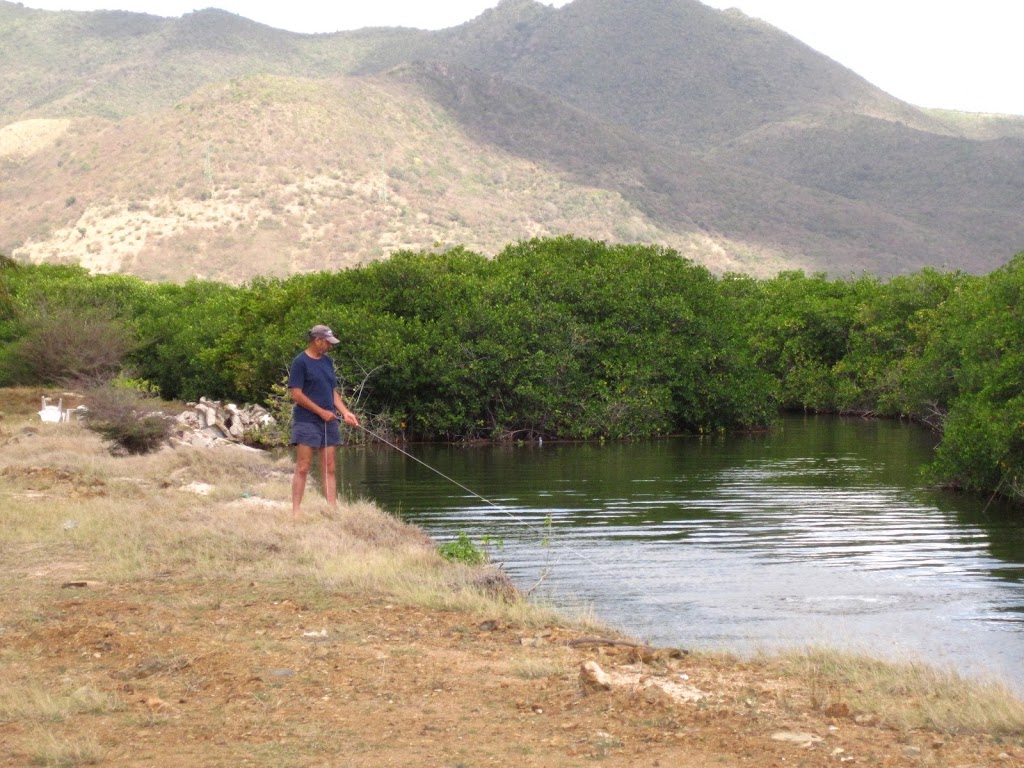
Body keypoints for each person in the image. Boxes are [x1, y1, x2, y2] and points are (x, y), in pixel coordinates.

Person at [288, 324, 360, 517]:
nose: (330, 346)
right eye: (328, 343)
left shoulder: (327, 362)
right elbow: (296, 394)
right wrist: (320, 411)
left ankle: (332, 510)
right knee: (303, 466)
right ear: (317, 340)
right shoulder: (300, 362)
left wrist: (345, 412)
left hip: (329, 422)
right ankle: (296, 512)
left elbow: (332, 390)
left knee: (329, 467)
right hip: (306, 421)